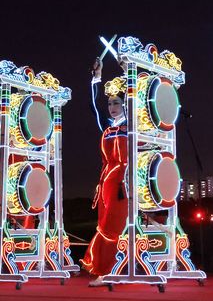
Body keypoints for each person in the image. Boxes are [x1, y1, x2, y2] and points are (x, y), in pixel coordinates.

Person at [80, 58, 128, 287]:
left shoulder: (133, 127)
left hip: (123, 182)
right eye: (110, 103)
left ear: (126, 105)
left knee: (114, 225)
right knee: (104, 223)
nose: (112, 107)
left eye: (117, 102)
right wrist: (96, 77)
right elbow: (92, 106)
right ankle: (105, 268)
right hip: (106, 180)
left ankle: (110, 269)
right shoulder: (107, 128)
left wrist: (128, 70)